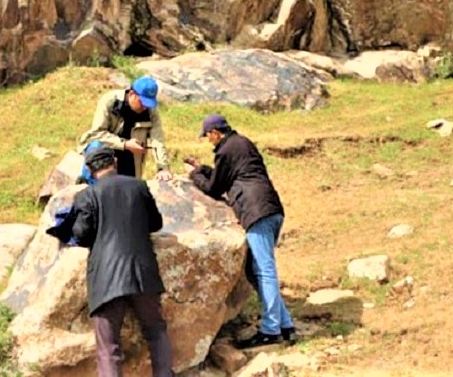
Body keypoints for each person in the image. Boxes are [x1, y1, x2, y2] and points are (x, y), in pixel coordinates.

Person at [184, 114, 295, 349]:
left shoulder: (225, 150)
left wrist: (194, 175)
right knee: (256, 271)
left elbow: (214, 188)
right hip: (271, 209)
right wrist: (202, 168)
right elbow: (227, 174)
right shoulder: (242, 142)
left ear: (215, 132)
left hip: (256, 212)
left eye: (208, 136)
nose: (208, 141)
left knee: (264, 270)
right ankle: (285, 325)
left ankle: (271, 329)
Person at [71, 145, 175, 377]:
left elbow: (81, 235)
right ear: (114, 162)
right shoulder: (138, 186)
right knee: (156, 331)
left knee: (108, 348)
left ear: (89, 170)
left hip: (106, 281)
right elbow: (155, 223)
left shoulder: (87, 195)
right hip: (143, 274)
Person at [78, 75, 173, 181]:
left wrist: (163, 168)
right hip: (107, 150)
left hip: (131, 157)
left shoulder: (151, 111)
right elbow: (97, 133)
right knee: (95, 147)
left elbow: (158, 139)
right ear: (132, 94)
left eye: (148, 104)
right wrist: (125, 144)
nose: (145, 107)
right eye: (142, 103)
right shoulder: (110, 102)